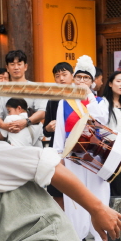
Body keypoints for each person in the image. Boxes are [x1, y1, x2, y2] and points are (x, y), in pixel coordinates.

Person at [53, 56, 110, 241]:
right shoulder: (64, 102)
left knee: (98, 194)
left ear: (93, 82)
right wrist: (58, 156)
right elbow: (59, 131)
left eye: (87, 78)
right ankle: (77, 240)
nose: (82, 81)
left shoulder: (101, 102)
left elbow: (102, 119)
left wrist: (90, 97)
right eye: (79, 77)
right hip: (73, 154)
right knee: (73, 197)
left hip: (95, 153)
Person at [0, 50, 46, 139]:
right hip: (7, 139)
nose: (16, 67)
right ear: (7, 68)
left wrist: (26, 121)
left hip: (32, 139)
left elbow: (42, 112)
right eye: (12, 64)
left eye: (19, 64)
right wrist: (5, 126)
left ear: (25, 66)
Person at [43, 62, 75, 208]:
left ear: (72, 76)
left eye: (64, 74)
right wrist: (49, 127)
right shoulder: (53, 100)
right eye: (57, 76)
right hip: (57, 148)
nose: (61, 78)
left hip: (75, 147)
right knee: (57, 190)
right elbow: (45, 130)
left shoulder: (79, 97)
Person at [102, 70, 121, 196]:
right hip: (106, 149)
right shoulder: (103, 103)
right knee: (105, 186)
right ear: (110, 84)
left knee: (120, 186)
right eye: (118, 81)